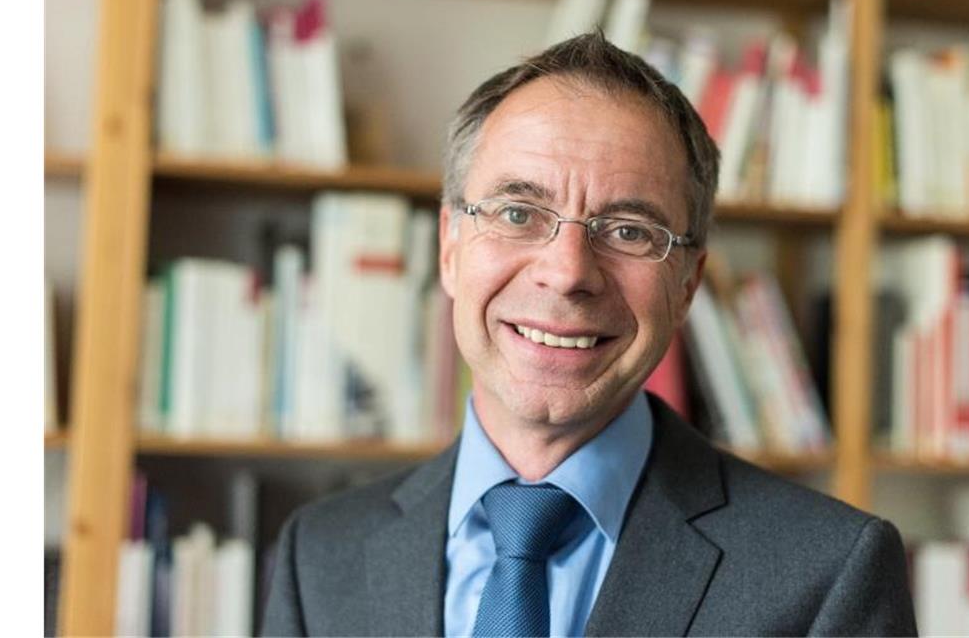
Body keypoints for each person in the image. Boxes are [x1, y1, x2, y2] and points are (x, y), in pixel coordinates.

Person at [262, 32, 917, 637]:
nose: (568, 273)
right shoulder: (318, 559)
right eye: (518, 212)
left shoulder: (828, 572)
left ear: (688, 281)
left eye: (629, 230)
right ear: (450, 247)